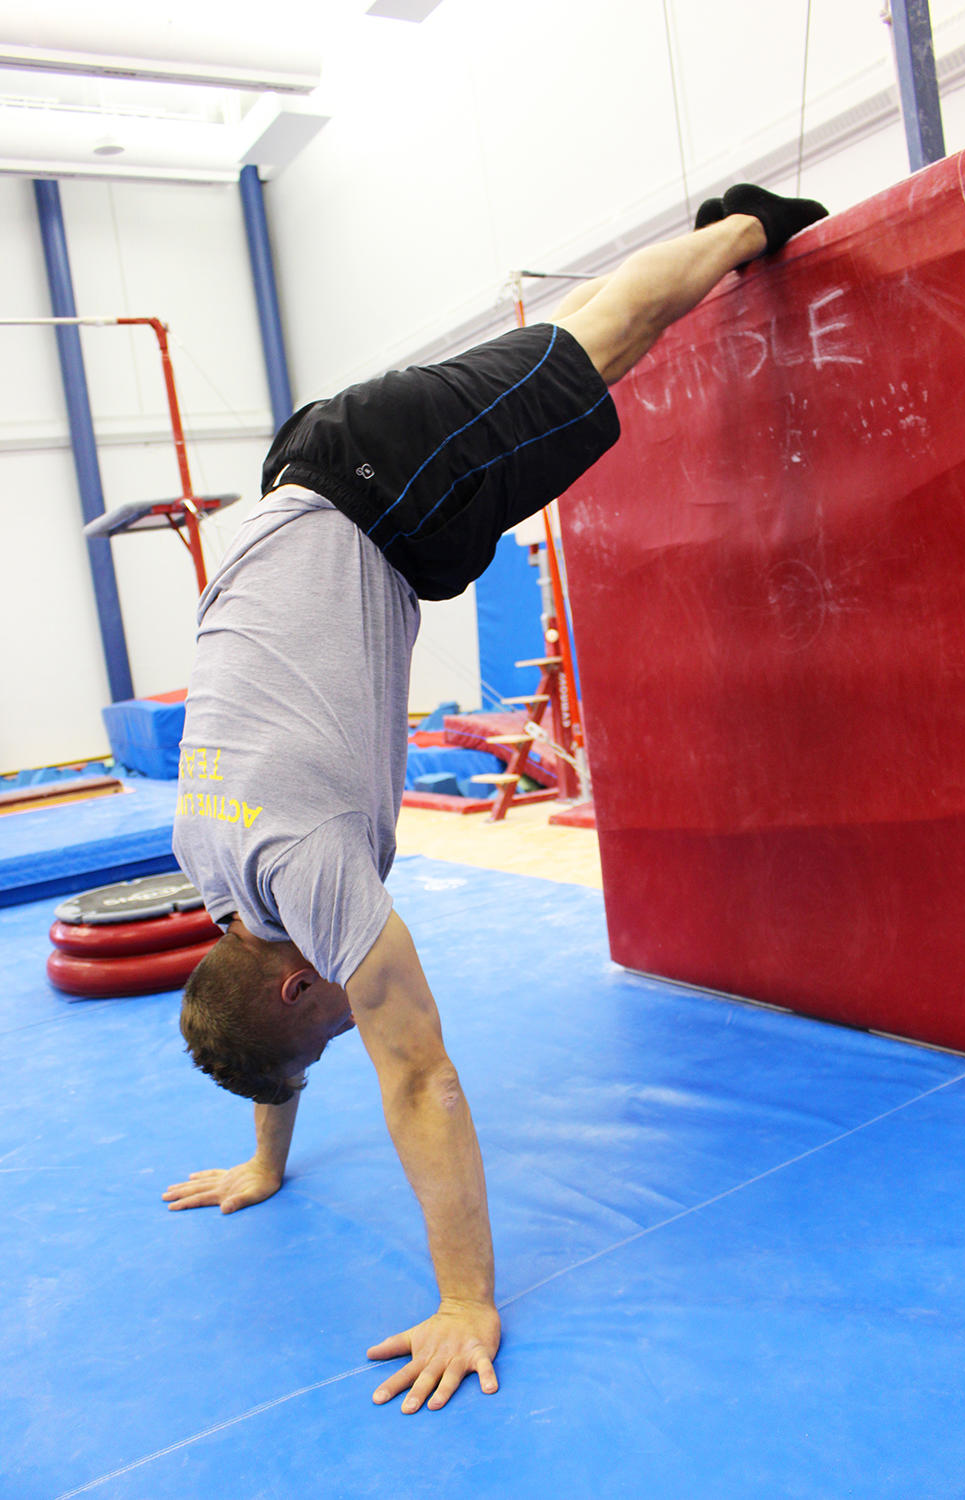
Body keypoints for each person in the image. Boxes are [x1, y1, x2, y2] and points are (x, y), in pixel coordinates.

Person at [163, 183, 828, 1414]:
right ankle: (718, 237)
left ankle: (747, 226)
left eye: (325, 1038)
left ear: (302, 983)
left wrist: (465, 1299)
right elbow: (259, 1010)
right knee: (571, 363)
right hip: (334, 506)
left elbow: (422, 1078)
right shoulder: (215, 866)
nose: (345, 1038)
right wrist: (264, 1156)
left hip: (370, 480)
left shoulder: (308, 876)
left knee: (604, 346)